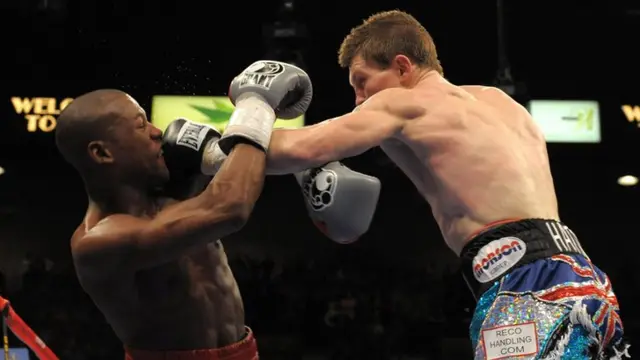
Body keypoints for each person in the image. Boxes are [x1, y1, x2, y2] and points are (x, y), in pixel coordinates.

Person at [212, 10, 629, 360]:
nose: (359, 99)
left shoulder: (403, 102)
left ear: (401, 66)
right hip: (584, 278)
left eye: (361, 81)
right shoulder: (503, 104)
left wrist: (219, 134)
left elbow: (296, 148)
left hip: (524, 287)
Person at [54, 61, 313, 360]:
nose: (156, 131)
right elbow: (229, 208)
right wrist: (257, 105)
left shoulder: (175, 190)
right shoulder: (98, 242)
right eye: (141, 125)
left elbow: (244, 165)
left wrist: (309, 167)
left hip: (245, 351)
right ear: (102, 153)